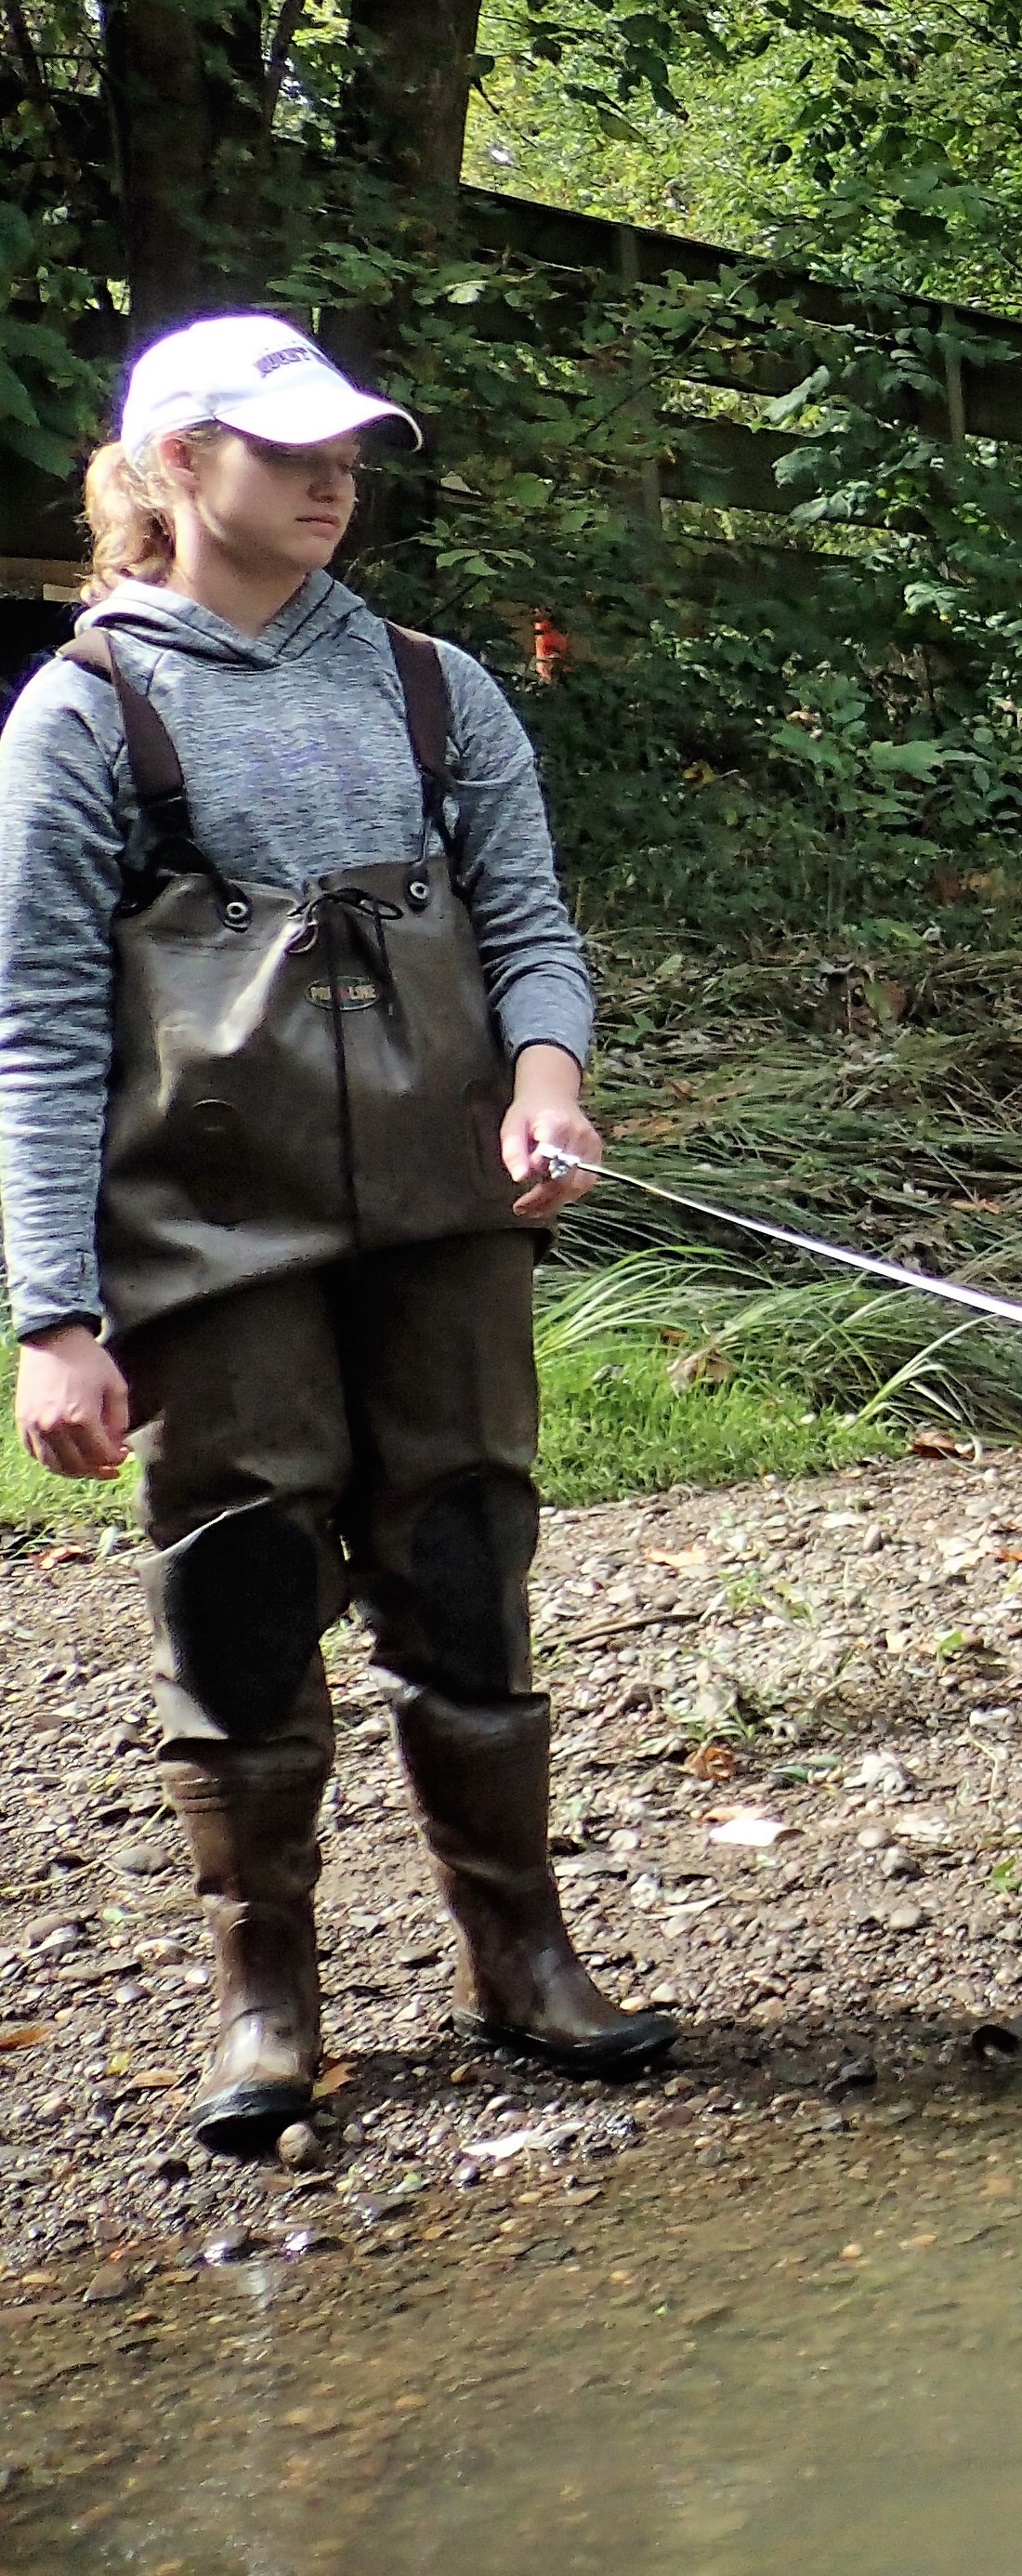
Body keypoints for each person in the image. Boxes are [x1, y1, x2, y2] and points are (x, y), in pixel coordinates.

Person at [3, 316, 674, 2159]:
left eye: (349, 448)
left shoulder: (437, 688)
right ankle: (264, 1995)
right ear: (171, 466)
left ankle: (520, 1958)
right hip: (212, 1249)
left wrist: (549, 1078)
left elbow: (533, 932)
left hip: (451, 1221)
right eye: (288, 446)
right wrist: (53, 1313)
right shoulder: (83, 716)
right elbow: (43, 1025)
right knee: (235, 1587)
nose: (332, 475)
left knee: (464, 1557)